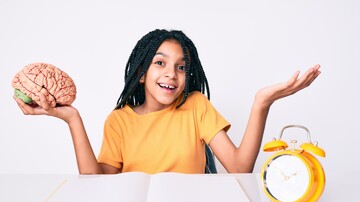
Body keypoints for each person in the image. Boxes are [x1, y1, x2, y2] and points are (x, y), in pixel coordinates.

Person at [14, 29, 321, 174]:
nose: (172, 74)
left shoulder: (196, 106)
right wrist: (72, 119)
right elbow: (97, 186)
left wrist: (261, 103)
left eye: (181, 66)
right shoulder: (119, 121)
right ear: (142, 73)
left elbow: (240, 169)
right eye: (160, 63)